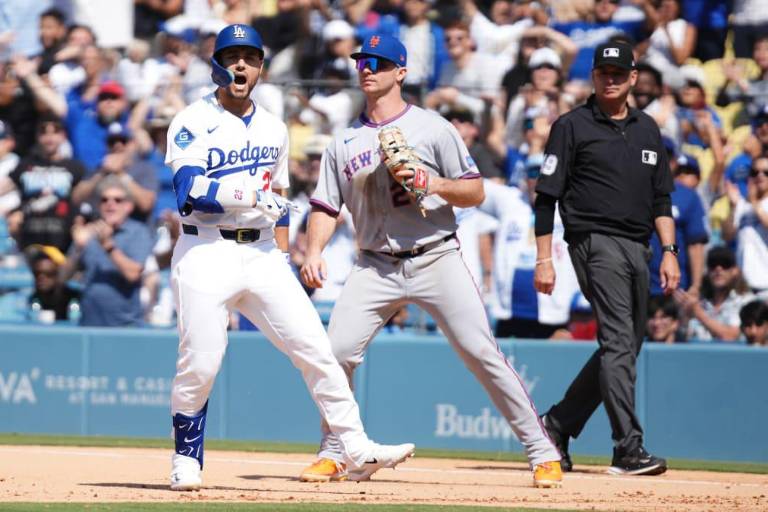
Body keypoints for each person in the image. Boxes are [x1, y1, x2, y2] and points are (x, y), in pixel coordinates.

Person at [299, 33, 562, 488]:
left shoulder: (434, 128)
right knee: (335, 354)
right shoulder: (343, 140)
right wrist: (315, 250)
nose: (368, 68)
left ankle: (542, 451)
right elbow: (325, 205)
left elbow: (475, 190)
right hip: (374, 263)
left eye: (379, 63)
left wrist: (432, 182)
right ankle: (335, 450)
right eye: (363, 60)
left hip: (435, 254)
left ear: (401, 72)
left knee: (482, 353)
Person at [163, 24, 415, 492]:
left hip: (260, 253)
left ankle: (355, 447)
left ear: (261, 65)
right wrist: (249, 196)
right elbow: (189, 193)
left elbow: (277, 194)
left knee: (316, 351)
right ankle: (186, 458)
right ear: (217, 63)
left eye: (250, 57)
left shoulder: (273, 127)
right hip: (205, 249)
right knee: (202, 362)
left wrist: (280, 249)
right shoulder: (191, 120)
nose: (241, 65)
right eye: (232, 56)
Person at [534, 41, 680, 476]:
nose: (611, 79)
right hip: (594, 240)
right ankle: (627, 449)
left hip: (641, 245)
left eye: (619, 73)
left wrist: (669, 252)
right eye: (604, 73)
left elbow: (661, 198)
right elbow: (545, 199)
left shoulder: (648, 128)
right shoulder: (571, 125)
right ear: (594, 77)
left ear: (634, 77)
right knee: (619, 343)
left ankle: (556, 425)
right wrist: (545, 259)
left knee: (624, 346)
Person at [60, 177, 154, 327]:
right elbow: (63, 277)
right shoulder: (88, 233)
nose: (110, 204)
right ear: (98, 205)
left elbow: (133, 273)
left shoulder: (138, 232)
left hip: (126, 326)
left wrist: (108, 246)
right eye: (105, 200)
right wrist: (78, 248)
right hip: (89, 325)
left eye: (117, 200)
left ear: (128, 206)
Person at [678, 246, 756, 342]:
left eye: (725, 264)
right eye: (713, 264)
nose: (718, 269)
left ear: (735, 271)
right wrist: (684, 315)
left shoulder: (747, 302)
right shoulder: (699, 303)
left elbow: (731, 336)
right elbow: (682, 337)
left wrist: (698, 313)